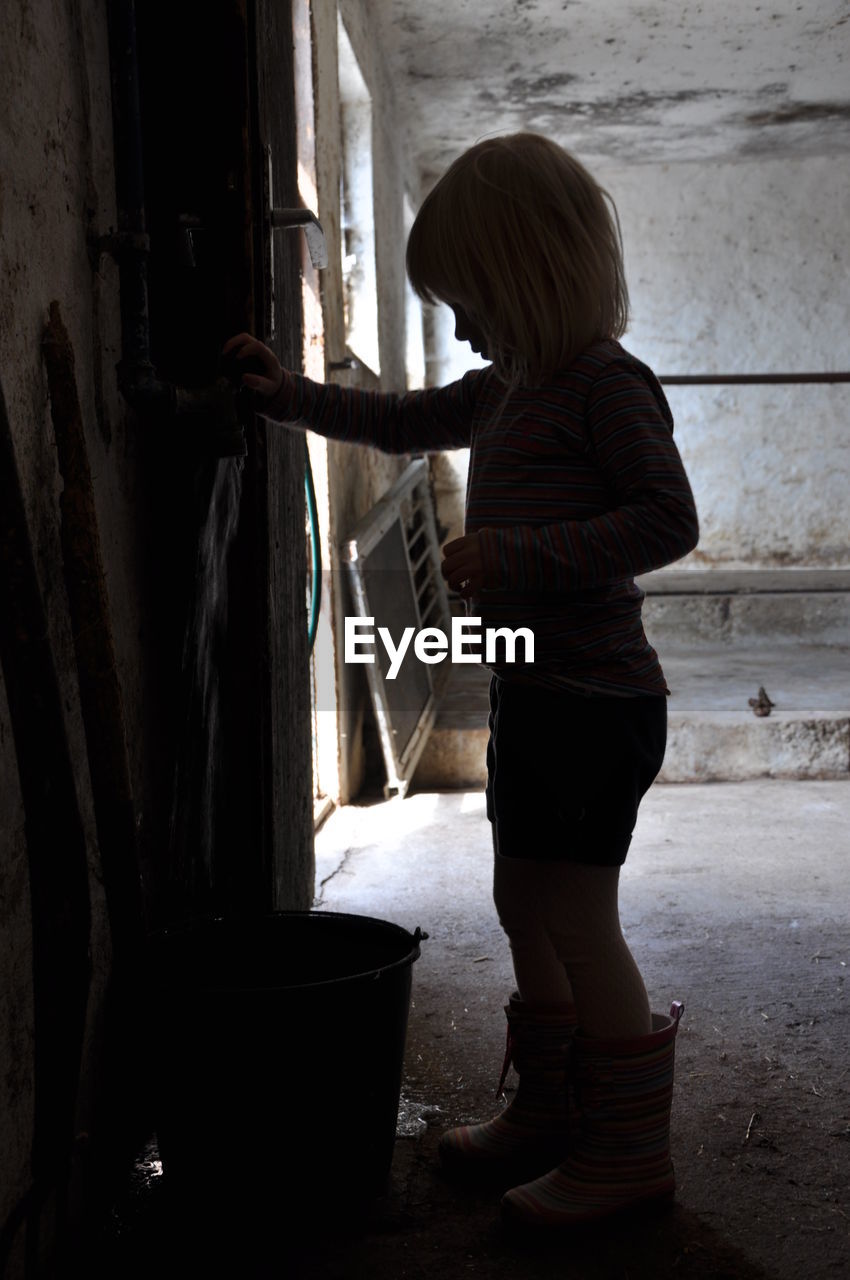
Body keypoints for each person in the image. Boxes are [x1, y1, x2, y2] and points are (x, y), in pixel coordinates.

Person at [224, 131, 699, 1230]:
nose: (459, 326)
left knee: (576, 914)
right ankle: (548, 1110)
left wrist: (525, 553)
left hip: (599, 701)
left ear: (525, 275)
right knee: (519, 898)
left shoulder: (606, 387)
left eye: (467, 299)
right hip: (536, 694)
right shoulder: (504, 389)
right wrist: (282, 392)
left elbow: (668, 520)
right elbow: (392, 420)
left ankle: (629, 1153)